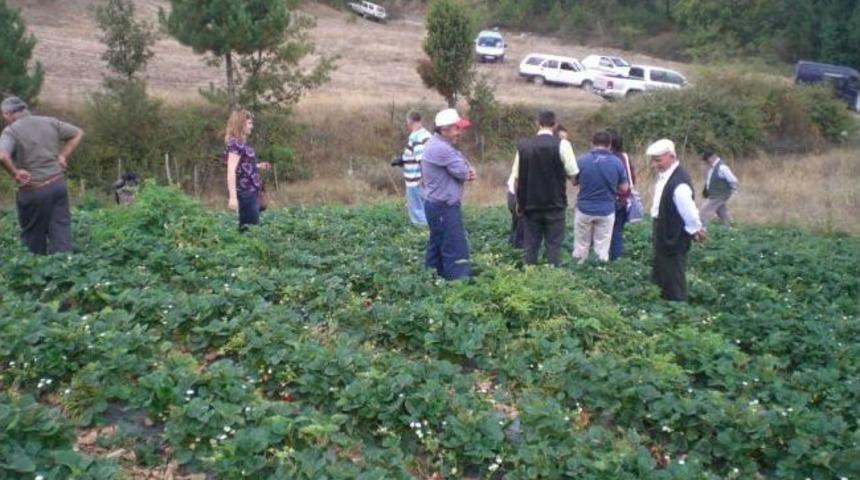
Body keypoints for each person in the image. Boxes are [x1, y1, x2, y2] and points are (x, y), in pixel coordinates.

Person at [0, 96, 84, 255]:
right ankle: (66, 270)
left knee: (32, 237)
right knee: (61, 231)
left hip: (34, 189)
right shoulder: (49, 121)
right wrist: (63, 156)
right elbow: (78, 133)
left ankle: (34, 273)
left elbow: (2, 156)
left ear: (8, 114)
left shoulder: (11, 131)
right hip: (58, 185)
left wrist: (15, 173)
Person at [513, 110, 579, 266]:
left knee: (530, 245)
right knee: (554, 245)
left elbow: (517, 179)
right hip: (555, 204)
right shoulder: (563, 145)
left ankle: (529, 276)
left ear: (537, 123)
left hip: (530, 205)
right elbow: (573, 173)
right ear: (555, 125)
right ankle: (552, 278)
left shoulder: (523, 146)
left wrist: (519, 202)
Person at [647, 139, 706, 302]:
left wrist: (695, 229)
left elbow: (688, 209)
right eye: (653, 160)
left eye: (658, 160)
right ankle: (663, 300)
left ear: (672, 156)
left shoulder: (678, 182)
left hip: (673, 234)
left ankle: (677, 305)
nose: (654, 164)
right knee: (662, 268)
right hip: (663, 229)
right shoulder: (665, 176)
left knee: (673, 271)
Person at [421, 108, 476, 280]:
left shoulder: (438, 145)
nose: (459, 132)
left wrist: (465, 167)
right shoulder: (442, 149)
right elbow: (462, 172)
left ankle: (432, 280)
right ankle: (459, 289)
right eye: (456, 128)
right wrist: (468, 171)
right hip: (444, 207)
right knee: (456, 250)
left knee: (437, 247)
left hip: (436, 206)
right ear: (443, 130)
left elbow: (460, 161)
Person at [572, 130, 628, 262]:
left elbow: (574, 181)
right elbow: (624, 187)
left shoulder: (581, 160)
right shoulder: (617, 162)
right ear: (609, 145)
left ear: (592, 143)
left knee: (581, 246)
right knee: (602, 248)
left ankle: (578, 272)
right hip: (606, 210)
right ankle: (599, 271)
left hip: (584, 209)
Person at [224, 109, 271, 231]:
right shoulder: (235, 144)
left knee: (251, 228)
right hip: (245, 193)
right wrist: (233, 197)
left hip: (251, 192)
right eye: (249, 123)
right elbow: (231, 171)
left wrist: (258, 166)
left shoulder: (241, 143)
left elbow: (242, 166)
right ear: (241, 124)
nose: (252, 126)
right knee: (249, 231)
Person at [607, 129, 636, 261]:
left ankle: (600, 262)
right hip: (622, 201)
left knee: (601, 234)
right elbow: (632, 179)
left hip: (606, 201)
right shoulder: (624, 157)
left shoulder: (606, 158)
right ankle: (616, 262)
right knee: (617, 233)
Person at [399, 111, 430, 225]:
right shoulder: (426, 134)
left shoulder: (416, 137)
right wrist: (403, 160)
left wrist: (423, 177)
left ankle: (420, 236)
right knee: (426, 208)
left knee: (418, 212)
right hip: (423, 179)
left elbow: (422, 159)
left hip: (415, 180)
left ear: (410, 121)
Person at [699, 150, 738, 226]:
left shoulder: (722, 167)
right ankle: (731, 228)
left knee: (703, 213)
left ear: (711, 158)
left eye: (707, 160)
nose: (706, 163)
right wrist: (707, 189)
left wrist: (731, 191)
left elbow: (733, 180)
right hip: (715, 194)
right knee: (722, 213)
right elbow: (711, 179)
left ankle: (701, 230)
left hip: (719, 195)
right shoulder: (713, 167)